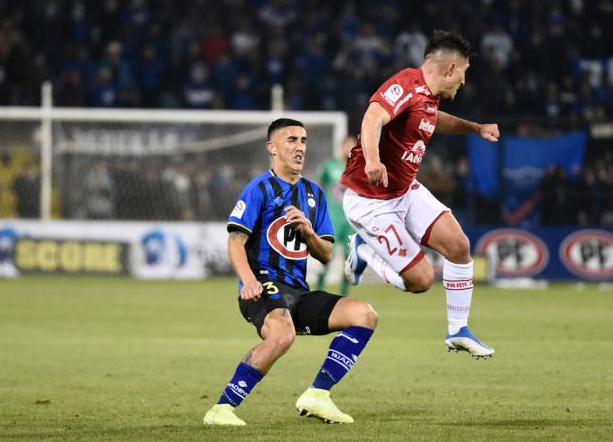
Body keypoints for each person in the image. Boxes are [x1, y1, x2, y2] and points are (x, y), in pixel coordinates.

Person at [203, 118, 378, 427]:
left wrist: (308, 232)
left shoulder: (314, 194)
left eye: (304, 141)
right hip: (263, 285)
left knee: (365, 314)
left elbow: (325, 254)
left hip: (299, 291)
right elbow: (235, 241)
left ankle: (318, 394)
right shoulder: (259, 188)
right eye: (291, 140)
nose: (300, 147)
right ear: (272, 148)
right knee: (282, 334)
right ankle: (221, 409)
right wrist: (248, 281)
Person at [340, 30, 499, 358]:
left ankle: (458, 330)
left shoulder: (428, 98)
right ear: (451, 69)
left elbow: (432, 120)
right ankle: (364, 251)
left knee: (458, 246)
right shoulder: (406, 84)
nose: (463, 83)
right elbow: (373, 116)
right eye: (464, 74)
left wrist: (474, 127)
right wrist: (372, 159)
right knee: (421, 281)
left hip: (404, 191)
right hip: (371, 201)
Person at [314, 135, 358, 295]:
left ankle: (344, 296)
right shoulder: (330, 165)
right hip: (332, 217)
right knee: (327, 256)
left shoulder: (359, 168)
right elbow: (320, 186)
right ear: (341, 147)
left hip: (350, 220)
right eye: (347, 146)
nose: (349, 149)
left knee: (349, 259)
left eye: (353, 146)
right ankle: (318, 291)